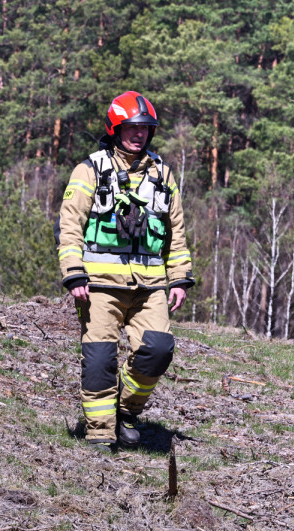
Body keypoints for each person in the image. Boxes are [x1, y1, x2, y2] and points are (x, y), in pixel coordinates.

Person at [54, 91, 193, 450]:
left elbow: (176, 231)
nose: (139, 134)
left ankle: (126, 411)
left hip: (150, 286)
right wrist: (74, 273)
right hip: (98, 286)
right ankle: (101, 436)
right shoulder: (90, 170)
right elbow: (69, 225)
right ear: (115, 127)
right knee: (100, 359)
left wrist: (179, 278)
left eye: (145, 128)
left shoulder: (163, 174)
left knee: (159, 350)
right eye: (131, 127)